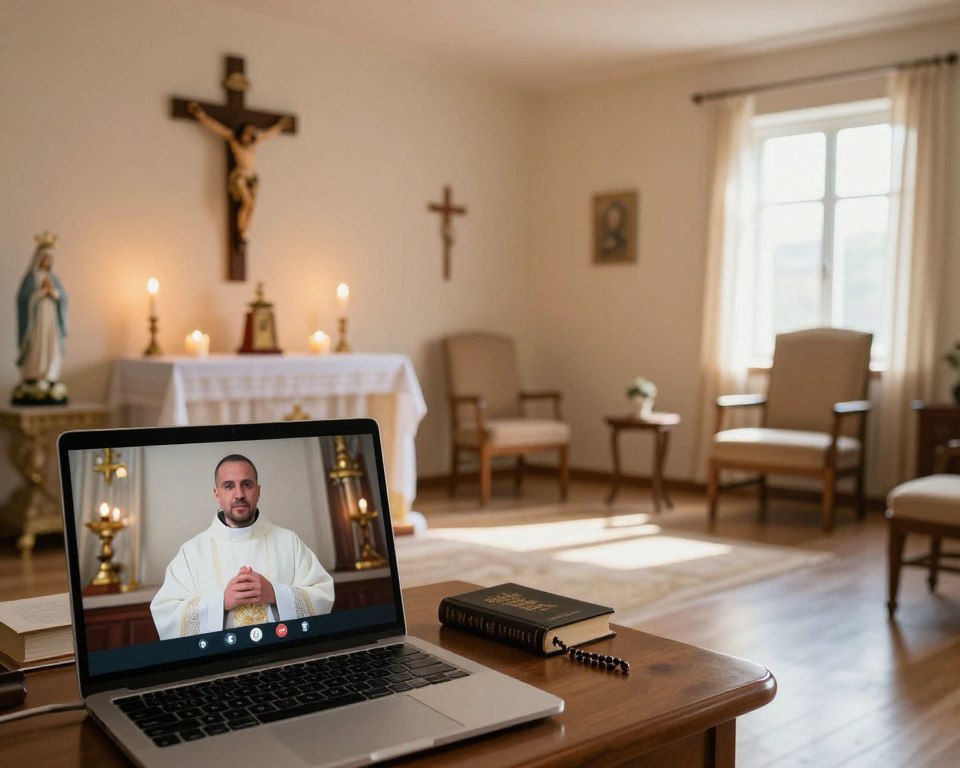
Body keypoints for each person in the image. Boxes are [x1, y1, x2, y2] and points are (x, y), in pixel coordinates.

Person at [150, 454, 335, 640]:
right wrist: (221, 601)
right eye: (228, 486)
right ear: (217, 494)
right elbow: (166, 614)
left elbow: (322, 595)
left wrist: (275, 593)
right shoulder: (191, 553)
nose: (239, 494)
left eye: (247, 484)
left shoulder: (289, 541)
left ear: (259, 491)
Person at [187, 101, 292, 239]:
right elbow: (216, 128)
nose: (249, 136)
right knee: (248, 203)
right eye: (247, 132)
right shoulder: (233, 140)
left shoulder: (254, 143)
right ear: (241, 132)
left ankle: (244, 232)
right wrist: (200, 114)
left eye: (251, 133)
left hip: (252, 176)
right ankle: (241, 233)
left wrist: (280, 126)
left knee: (253, 206)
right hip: (240, 176)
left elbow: (267, 135)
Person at [14, 233, 68, 404]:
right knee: (37, 345)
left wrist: (54, 294)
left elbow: (63, 298)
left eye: (50, 259)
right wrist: (39, 294)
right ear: (38, 259)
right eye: (45, 258)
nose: (47, 262)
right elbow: (23, 299)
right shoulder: (31, 278)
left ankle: (49, 374)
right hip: (36, 320)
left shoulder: (54, 279)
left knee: (50, 344)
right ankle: (34, 375)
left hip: (50, 318)